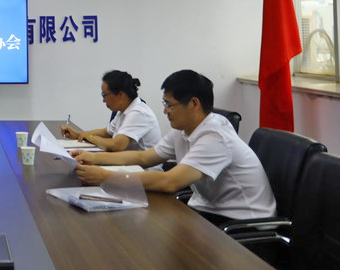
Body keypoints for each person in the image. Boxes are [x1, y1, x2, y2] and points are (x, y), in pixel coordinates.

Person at [72, 70, 276, 223]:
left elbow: (170, 182)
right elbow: (144, 157)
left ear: (194, 104)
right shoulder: (183, 129)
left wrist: (105, 177)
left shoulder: (215, 136)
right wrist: (94, 158)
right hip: (208, 212)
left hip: (244, 225)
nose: (165, 111)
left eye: (169, 105)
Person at [60, 70, 161, 151]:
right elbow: (107, 132)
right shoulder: (123, 110)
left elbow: (116, 145)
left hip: (142, 169)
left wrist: (90, 137)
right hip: (127, 165)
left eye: (104, 95)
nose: (103, 100)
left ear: (120, 95)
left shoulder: (139, 113)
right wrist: (78, 135)